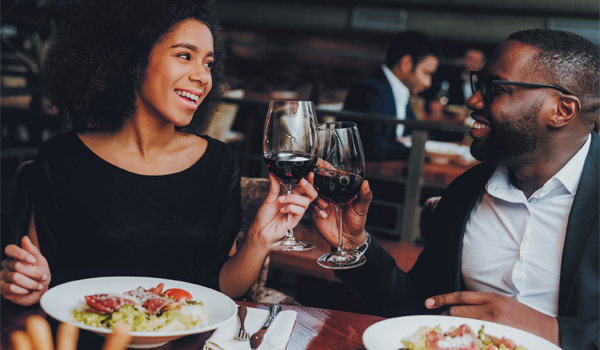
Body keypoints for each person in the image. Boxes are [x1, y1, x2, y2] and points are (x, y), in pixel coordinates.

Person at [0, 0, 318, 306]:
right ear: (131, 60)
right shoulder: (61, 158)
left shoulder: (219, 163)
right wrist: (28, 284)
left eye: (208, 63)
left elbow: (223, 288)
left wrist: (259, 241)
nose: (203, 76)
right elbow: (38, 275)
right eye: (184, 55)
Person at [310, 29, 598, 350]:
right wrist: (354, 245)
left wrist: (552, 330)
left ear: (562, 110)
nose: (472, 100)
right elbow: (417, 305)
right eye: (478, 84)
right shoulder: (466, 191)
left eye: (495, 90)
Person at [343, 31, 442, 161]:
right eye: (426, 73)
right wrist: (407, 146)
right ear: (405, 63)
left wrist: (401, 143)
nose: (428, 83)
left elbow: (415, 132)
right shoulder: (369, 90)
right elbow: (372, 148)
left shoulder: (399, 90)